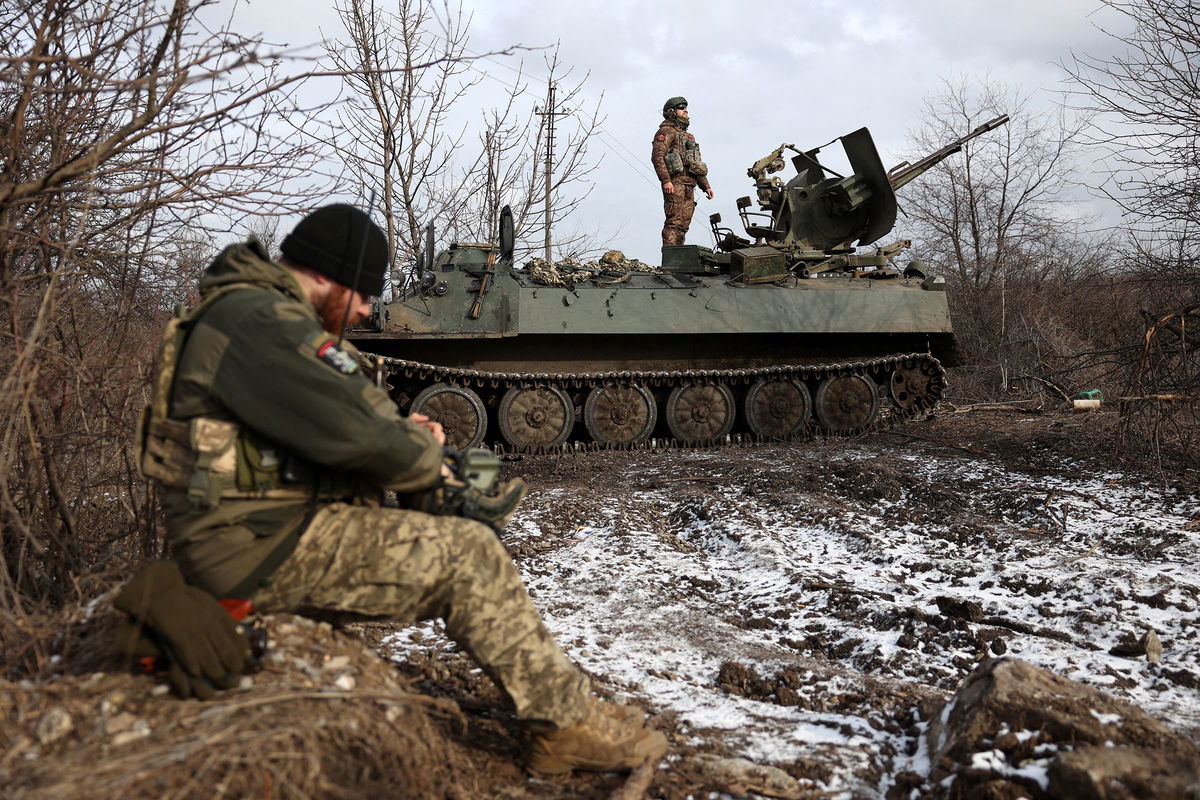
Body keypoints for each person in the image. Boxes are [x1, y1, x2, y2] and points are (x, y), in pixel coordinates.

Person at [130, 203, 667, 775]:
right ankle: (564, 727)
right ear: (325, 273)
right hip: (252, 548)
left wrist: (401, 436)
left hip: (255, 531)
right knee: (470, 555)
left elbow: (319, 426)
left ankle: (560, 708)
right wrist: (425, 460)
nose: (364, 310)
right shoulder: (260, 320)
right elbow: (357, 432)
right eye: (361, 292)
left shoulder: (246, 314)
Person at [651, 97, 714, 247]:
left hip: (689, 185)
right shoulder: (666, 131)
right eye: (681, 108)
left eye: (685, 108)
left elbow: (695, 163)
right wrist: (666, 180)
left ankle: (679, 258)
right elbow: (657, 157)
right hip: (675, 184)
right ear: (672, 112)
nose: (685, 111)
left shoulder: (688, 137)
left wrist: (706, 186)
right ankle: (670, 260)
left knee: (684, 224)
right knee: (674, 222)